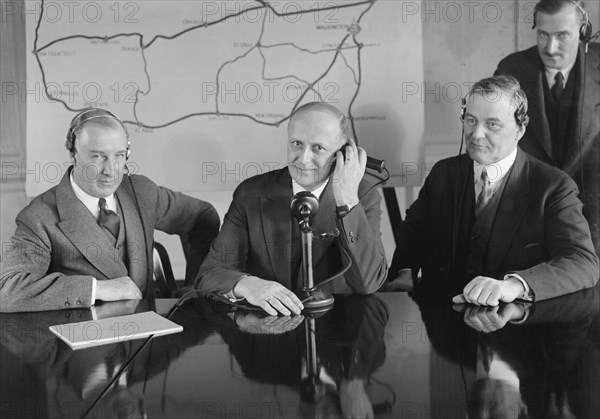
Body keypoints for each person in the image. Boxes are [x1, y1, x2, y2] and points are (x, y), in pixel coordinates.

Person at [388, 75, 598, 306]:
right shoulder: (443, 174)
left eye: (492, 124)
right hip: (445, 328)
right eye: (470, 120)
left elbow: (582, 262)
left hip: (515, 330)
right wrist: (405, 271)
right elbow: (415, 231)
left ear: (520, 129)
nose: (476, 134)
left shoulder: (554, 186)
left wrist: (514, 285)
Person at [0, 108, 220, 312]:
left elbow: (203, 216)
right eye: (98, 156)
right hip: (86, 346)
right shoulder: (39, 216)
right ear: (73, 153)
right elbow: (8, 291)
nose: (111, 171)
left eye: (120, 155)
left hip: (148, 343)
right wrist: (96, 289)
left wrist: (197, 286)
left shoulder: (142, 191)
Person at [197, 102, 388, 315]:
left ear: (343, 153)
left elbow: (368, 283)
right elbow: (210, 273)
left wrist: (347, 201)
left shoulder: (363, 195)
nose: (303, 159)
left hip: (338, 328)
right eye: (297, 144)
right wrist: (247, 284)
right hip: (269, 330)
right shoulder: (250, 194)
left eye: (318, 148)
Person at [494, 0, 600, 256]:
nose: (550, 48)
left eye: (562, 35)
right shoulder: (511, 69)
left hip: (595, 220)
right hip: (531, 219)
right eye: (543, 34)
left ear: (583, 30)